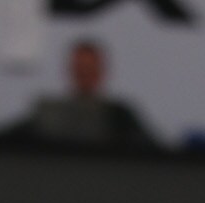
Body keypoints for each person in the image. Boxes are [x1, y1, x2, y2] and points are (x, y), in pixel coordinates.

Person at [12, 41, 155, 151]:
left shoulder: (120, 116)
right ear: (70, 70)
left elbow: (151, 148)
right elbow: (11, 139)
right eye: (80, 69)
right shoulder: (49, 115)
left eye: (89, 69)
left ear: (101, 71)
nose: (84, 75)